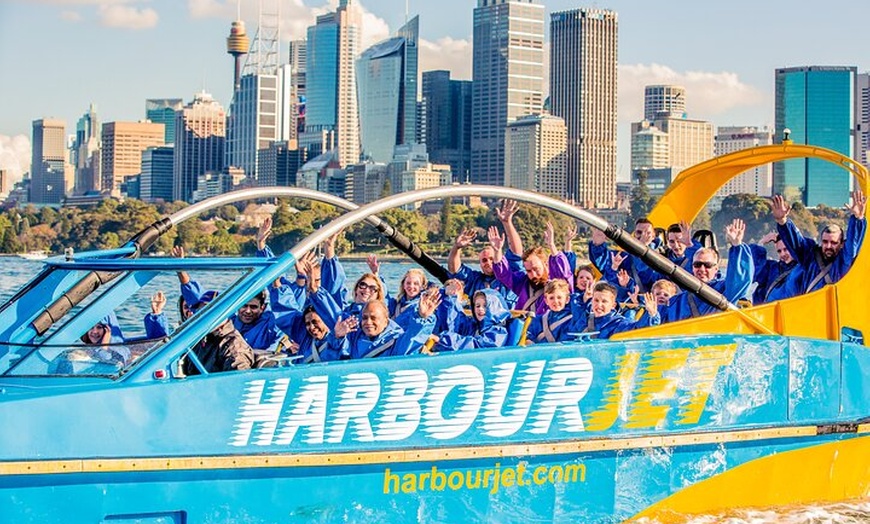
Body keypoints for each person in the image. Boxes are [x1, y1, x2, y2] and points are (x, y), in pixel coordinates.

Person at [659, 219, 754, 323]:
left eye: (708, 265)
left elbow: (740, 280)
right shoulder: (677, 301)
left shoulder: (724, 291)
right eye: (697, 265)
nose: (702, 269)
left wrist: (737, 246)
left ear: (716, 268)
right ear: (692, 267)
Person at [771, 190, 866, 294]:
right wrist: (782, 221)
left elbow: (853, 244)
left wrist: (858, 218)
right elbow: (796, 242)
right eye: (825, 242)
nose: (828, 246)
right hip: (809, 308)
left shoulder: (843, 261)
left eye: (834, 243)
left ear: (841, 244)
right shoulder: (810, 257)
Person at [327, 289, 440, 359]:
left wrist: (422, 318)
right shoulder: (353, 337)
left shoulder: (395, 340)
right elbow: (333, 358)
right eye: (365, 318)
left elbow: (412, 339)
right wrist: (337, 338)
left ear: (386, 320)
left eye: (374, 318)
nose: (368, 322)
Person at [490, 221, 574, 315]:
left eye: (536, 269)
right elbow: (504, 274)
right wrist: (497, 251)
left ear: (545, 264)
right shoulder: (523, 282)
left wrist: (551, 245)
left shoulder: (558, 285)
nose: (533, 274)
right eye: (529, 271)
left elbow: (564, 273)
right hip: (524, 327)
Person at [446, 228, 519, 307]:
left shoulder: (510, 278)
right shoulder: (475, 280)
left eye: (491, 259)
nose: (488, 262)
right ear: (480, 264)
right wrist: (456, 247)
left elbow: (516, 255)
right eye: (484, 260)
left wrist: (507, 222)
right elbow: (454, 269)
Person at [589, 218, 664, 293]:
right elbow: (605, 262)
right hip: (630, 301)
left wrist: (643, 248)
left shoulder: (663, 258)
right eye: (639, 232)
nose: (643, 236)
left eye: (647, 233)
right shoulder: (627, 257)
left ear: (653, 236)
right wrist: (597, 245)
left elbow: (646, 277)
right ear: (634, 235)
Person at [431, 289, 511, 351]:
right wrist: (448, 296)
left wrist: (442, 340)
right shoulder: (475, 325)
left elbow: (477, 345)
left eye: (485, 306)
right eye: (477, 306)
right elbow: (456, 321)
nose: (480, 309)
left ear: (493, 308)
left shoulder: (499, 332)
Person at [578, 282, 660, 339]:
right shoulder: (584, 319)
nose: (599, 305)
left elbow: (638, 330)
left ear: (613, 305)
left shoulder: (618, 324)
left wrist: (652, 315)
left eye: (604, 301)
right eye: (596, 300)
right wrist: (583, 302)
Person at [749, 232, 800, 304]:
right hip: (767, 312)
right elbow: (753, 271)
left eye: (786, 249)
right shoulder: (771, 268)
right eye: (779, 251)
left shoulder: (803, 268)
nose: (783, 254)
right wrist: (761, 243)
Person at [526, 279, 581, 344]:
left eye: (559, 297)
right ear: (546, 301)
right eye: (551, 298)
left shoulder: (573, 319)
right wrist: (528, 340)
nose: (555, 301)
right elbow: (529, 335)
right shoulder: (538, 321)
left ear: (567, 299)